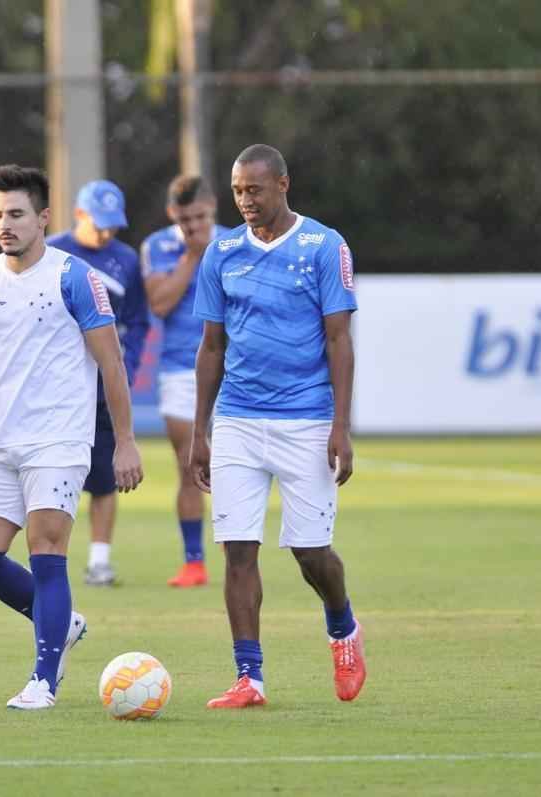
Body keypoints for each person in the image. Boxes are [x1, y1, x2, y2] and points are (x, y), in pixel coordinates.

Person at [0, 164, 144, 710]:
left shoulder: (74, 278)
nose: (5, 225)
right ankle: (61, 623)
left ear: (42, 218)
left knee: (47, 554)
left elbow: (111, 362)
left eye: (15, 214)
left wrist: (127, 441)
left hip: (59, 441)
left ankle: (44, 680)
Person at [188, 144, 366, 708]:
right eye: (238, 191)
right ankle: (250, 678)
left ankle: (342, 626)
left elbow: (340, 339)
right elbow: (211, 346)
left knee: (311, 553)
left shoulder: (323, 246)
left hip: (307, 420)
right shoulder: (222, 254)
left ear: (283, 184)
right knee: (238, 550)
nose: (245, 201)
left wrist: (341, 424)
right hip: (238, 419)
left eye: (254, 190)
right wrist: (201, 431)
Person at [46, 180, 149, 587]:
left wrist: (131, 363)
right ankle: (49, 562)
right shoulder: (51, 251)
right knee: (51, 473)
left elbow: (138, 319)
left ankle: (100, 561)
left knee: (106, 476)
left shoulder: (125, 258)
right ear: (79, 214)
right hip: (57, 385)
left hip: (104, 383)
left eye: (113, 225)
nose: (106, 233)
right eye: (99, 224)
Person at [140, 175, 229, 588]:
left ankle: (237, 555)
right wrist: (192, 257)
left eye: (201, 218)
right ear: (172, 215)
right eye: (186, 219)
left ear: (213, 207)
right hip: (180, 368)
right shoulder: (159, 246)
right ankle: (194, 561)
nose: (195, 227)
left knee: (235, 467)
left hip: (234, 366)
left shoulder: (236, 242)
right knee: (189, 464)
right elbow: (158, 303)